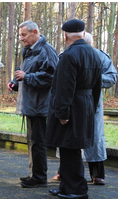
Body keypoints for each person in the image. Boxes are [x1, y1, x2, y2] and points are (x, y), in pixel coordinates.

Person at [52, 32, 118, 186]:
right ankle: (64, 171)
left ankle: (97, 174)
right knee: (68, 136)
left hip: (91, 101)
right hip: (71, 101)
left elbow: (112, 76)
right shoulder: (66, 55)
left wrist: (92, 78)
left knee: (94, 136)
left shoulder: (99, 56)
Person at [46, 19, 102, 199]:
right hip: (84, 105)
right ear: (83, 34)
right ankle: (66, 186)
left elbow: (64, 87)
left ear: (65, 35)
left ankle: (76, 189)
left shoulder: (69, 55)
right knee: (70, 149)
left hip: (71, 106)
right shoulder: (94, 53)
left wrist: (62, 112)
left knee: (69, 150)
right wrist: (91, 107)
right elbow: (97, 87)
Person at [7, 20, 58, 188]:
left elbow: (51, 77)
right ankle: (34, 173)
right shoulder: (28, 51)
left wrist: (26, 77)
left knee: (38, 141)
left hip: (40, 105)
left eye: (24, 35)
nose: (21, 39)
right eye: (20, 35)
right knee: (32, 141)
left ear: (35, 32)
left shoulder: (46, 51)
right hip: (30, 103)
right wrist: (16, 83)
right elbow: (27, 74)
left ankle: (39, 177)